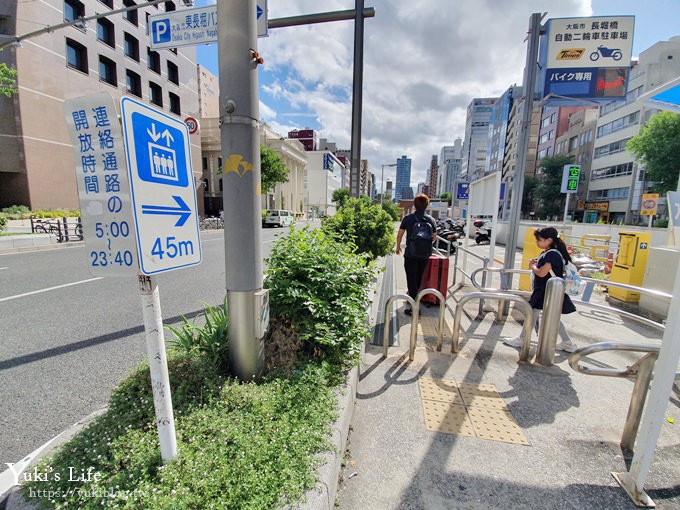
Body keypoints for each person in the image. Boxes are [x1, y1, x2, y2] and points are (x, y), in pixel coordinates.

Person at [503, 226, 578, 352]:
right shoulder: (553, 253)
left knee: (532, 314)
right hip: (551, 291)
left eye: (539, 240)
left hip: (545, 291)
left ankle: (522, 339)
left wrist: (533, 266)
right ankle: (567, 343)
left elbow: (542, 273)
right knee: (552, 318)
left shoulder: (551, 254)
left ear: (548, 240)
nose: (537, 242)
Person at [395, 193, 437, 316]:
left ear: (414, 205)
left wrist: (398, 246)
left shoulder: (408, 218)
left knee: (411, 278)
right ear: (426, 205)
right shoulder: (431, 220)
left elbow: (400, 234)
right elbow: (434, 237)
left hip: (411, 254)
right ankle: (413, 297)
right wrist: (424, 244)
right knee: (418, 278)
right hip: (424, 254)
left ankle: (415, 308)